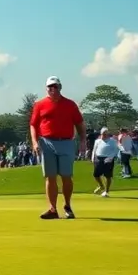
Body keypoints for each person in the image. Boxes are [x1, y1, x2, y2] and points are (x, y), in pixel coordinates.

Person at [29, 76, 86, 219]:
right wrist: (34, 142)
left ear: (60, 87)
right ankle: (52, 209)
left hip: (66, 142)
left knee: (66, 176)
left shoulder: (70, 104)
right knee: (50, 176)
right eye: (50, 87)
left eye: (55, 86)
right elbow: (33, 125)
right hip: (46, 142)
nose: (52, 89)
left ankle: (67, 205)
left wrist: (83, 140)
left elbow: (79, 123)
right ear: (46, 88)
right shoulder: (40, 104)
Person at [91, 127, 119, 197]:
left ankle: (106, 191)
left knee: (108, 176)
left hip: (108, 159)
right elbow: (94, 150)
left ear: (107, 134)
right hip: (98, 159)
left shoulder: (112, 141)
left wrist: (110, 158)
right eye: (102, 134)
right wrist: (93, 158)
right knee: (96, 175)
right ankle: (101, 186)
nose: (103, 135)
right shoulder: (97, 141)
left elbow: (115, 150)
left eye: (105, 134)